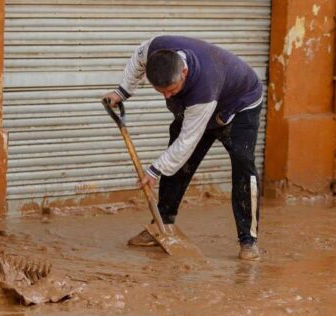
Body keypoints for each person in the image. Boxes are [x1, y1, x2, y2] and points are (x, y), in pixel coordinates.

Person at [103, 35, 263, 261]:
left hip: (239, 105)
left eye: (171, 90)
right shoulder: (155, 48)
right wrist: (122, 91)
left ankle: (248, 241)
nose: (167, 96)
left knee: (243, 167)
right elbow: (137, 60)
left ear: (184, 73)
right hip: (196, 108)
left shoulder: (203, 89)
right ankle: (162, 226)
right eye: (161, 91)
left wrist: (154, 170)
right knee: (177, 166)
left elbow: (187, 141)